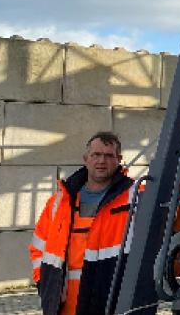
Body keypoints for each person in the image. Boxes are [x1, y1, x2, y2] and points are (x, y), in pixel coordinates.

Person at [29, 132, 136, 315]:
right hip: (64, 307)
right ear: (86, 159)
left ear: (119, 160)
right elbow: (38, 248)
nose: (101, 161)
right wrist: (45, 284)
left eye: (108, 155)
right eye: (96, 155)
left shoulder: (135, 197)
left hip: (110, 302)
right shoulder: (59, 202)